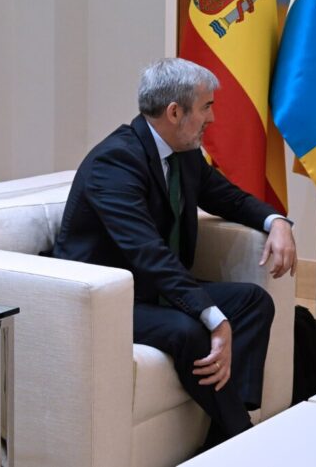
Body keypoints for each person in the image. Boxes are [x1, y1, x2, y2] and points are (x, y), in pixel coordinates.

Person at [54, 58, 296, 446]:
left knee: (253, 302)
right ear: (174, 112)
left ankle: (225, 433)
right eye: (207, 107)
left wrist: (276, 221)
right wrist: (214, 318)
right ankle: (245, 441)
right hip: (111, 300)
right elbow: (147, 252)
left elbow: (227, 197)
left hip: (156, 290)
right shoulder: (114, 163)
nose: (212, 118)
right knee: (189, 329)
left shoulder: (183, 152)